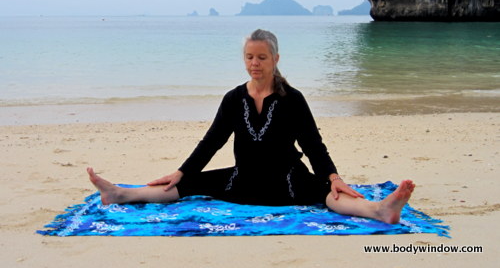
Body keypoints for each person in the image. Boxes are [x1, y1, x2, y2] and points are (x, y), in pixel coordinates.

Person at [88, 29, 414, 224]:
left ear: (275, 59)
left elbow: (314, 145)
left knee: (328, 194)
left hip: (287, 182)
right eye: (249, 57)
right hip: (240, 181)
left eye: (261, 57)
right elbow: (211, 141)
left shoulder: (293, 99)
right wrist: (182, 171)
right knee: (184, 185)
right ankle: (118, 193)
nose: (254, 64)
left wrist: (334, 177)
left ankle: (379, 210)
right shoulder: (233, 98)